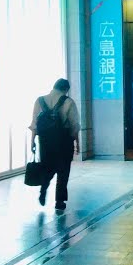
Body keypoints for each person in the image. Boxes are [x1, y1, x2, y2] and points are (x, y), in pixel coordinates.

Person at [31, 78, 81, 212]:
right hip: (64, 141)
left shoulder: (40, 100)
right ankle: (59, 201)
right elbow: (74, 125)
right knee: (63, 171)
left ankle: (43, 189)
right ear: (66, 90)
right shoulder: (68, 102)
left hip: (45, 142)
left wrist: (32, 142)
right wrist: (77, 143)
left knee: (48, 167)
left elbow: (35, 124)